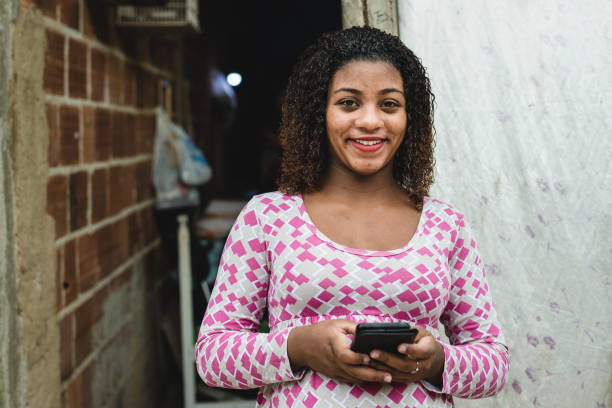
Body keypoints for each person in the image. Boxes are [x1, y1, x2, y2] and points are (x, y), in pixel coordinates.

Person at [195, 26, 509, 407]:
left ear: (411, 118)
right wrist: (299, 347)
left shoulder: (446, 226)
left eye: (389, 104)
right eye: (348, 103)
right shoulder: (268, 217)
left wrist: (437, 361)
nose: (370, 121)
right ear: (318, 113)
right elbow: (213, 357)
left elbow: (493, 363)